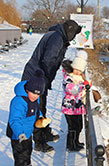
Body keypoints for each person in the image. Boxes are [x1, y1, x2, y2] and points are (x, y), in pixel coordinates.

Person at [21, 20, 82, 152]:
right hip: (36, 78)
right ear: (70, 31)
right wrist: (45, 81)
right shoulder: (57, 38)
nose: (74, 37)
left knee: (41, 107)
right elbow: (48, 60)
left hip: (38, 75)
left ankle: (44, 133)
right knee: (37, 109)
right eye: (74, 34)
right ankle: (39, 142)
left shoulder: (55, 34)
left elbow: (53, 58)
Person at [6, 70, 46, 166]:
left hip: (28, 133)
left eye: (38, 94)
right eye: (33, 93)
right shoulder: (18, 102)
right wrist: (20, 134)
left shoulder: (34, 98)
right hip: (18, 136)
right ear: (28, 89)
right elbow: (14, 120)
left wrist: (40, 116)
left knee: (28, 152)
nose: (35, 96)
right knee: (21, 158)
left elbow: (36, 109)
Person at [61, 50, 91, 152]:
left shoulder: (79, 78)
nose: (77, 72)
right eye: (76, 69)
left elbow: (84, 86)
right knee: (73, 128)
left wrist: (86, 84)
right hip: (69, 108)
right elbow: (71, 89)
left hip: (77, 108)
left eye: (80, 70)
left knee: (79, 126)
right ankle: (71, 145)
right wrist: (83, 86)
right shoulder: (68, 77)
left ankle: (76, 142)